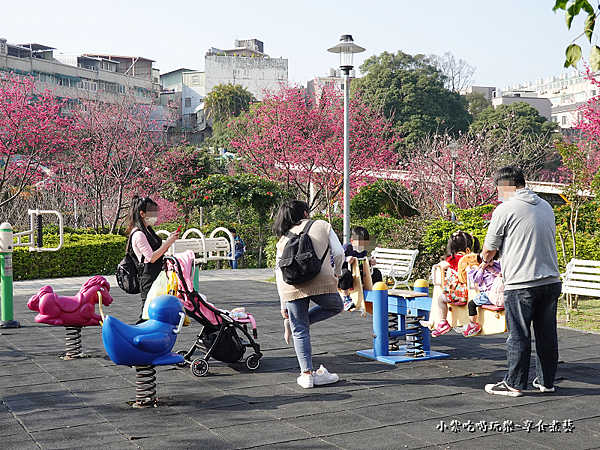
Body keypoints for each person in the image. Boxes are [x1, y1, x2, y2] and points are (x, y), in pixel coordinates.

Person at [483, 166, 561, 397]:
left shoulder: (505, 209)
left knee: (519, 335)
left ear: (505, 186)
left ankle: (514, 384)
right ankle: (546, 382)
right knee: (546, 334)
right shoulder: (546, 206)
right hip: (550, 281)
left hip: (521, 283)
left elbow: (490, 249)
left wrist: (483, 260)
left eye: (498, 188)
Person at [274, 200, 345, 388]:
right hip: (321, 281)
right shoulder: (322, 225)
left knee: (300, 330)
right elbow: (338, 253)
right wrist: (337, 272)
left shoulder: (283, 238)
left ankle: (306, 376)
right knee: (337, 306)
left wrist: (283, 304)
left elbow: (278, 271)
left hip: (291, 287)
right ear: (306, 213)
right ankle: (298, 325)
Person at [125, 196, 179, 324]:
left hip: (155, 273)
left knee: (154, 308)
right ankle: (139, 335)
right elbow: (151, 257)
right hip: (147, 275)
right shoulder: (138, 234)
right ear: (142, 213)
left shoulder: (147, 230)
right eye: (152, 213)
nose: (155, 216)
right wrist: (169, 243)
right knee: (147, 310)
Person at [432, 231, 480, 337]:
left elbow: (441, 265)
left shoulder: (455, 258)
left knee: (440, 299)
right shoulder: (473, 257)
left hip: (457, 293)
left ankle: (442, 322)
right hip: (470, 291)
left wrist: (439, 265)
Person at [337, 226, 382, 312]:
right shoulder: (346, 248)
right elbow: (332, 258)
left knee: (376, 272)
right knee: (345, 273)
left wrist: (369, 261)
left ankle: (378, 296)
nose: (362, 246)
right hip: (345, 279)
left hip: (358, 277)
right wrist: (345, 259)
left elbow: (362, 262)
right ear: (352, 241)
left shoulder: (363, 251)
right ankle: (346, 298)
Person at [463, 254, 503, 337]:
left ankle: (473, 325)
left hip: (488, 295)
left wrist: (469, 271)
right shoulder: (498, 265)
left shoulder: (482, 270)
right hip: (501, 294)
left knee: (471, 304)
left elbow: (475, 279)